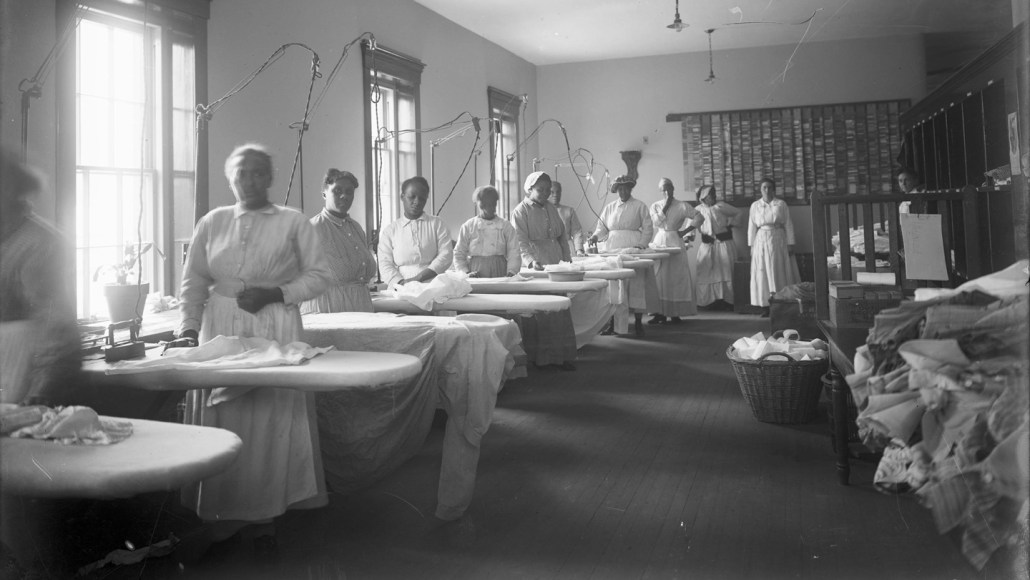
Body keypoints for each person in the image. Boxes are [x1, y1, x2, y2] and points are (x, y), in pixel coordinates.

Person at [176, 144, 332, 559]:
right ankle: (221, 517)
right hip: (221, 328)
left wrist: (276, 293)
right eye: (242, 173)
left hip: (274, 325)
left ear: (271, 178)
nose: (250, 180)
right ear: (231, 178)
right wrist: (189, 329)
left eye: (259, 173)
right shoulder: (213, 222)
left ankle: (265, 517)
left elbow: (319, 277)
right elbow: (193, 279)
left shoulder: (293, 222)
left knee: (267, 419)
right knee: (224, 418)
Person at [0, 149, 80, 406]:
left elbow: (58, 334)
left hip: (21, 384)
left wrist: (37, 400)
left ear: (11, 190)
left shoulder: (39, 244)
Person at [302, 169, 378, 313]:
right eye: (337, 191)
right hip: (329, 308)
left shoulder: (355, 227)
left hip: (360, 305)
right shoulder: (314, 227)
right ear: (324, 194)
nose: (344, 196)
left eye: (349, 192)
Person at [377, 176, 453, 287]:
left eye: (422, 198)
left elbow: (445, 255)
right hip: (401, 285)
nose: (417, 202)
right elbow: (384, 263)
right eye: (411, 197)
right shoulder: (391, 230)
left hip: (433, 282)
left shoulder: (437, 224)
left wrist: (418, 278)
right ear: (402, 197)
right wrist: (400, 283)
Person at [647, 177, 703, 324]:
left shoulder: (682, 205)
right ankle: (659, 313)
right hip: (660, 240)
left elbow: (699, 217)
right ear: (660, 191)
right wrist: (665, 207)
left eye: (669, 188)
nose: (667, 191)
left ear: (673, 189)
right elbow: (654, 223)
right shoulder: (655, 206)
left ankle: (675, 312)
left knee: (675, 277)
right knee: (659, 276)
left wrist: (685, 231)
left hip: (675, 240)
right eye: (664, 189)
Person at [748, 177, 798, 316]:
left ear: (774, 189)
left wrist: (790, 243)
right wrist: (751, 246)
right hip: (761, 239)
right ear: (760, 189)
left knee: (777, 270)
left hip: (778, 238)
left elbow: (788, 223)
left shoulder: (781, 204)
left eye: (770, 187)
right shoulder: (755, 206)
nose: (767, 190)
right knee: (762, 271)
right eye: (764, 187)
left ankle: (780, 304)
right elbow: (751, 227)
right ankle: (765, 306)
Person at [453, 185, 521, 278]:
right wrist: (466, 272)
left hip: (500, 270)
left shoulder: (505, 226)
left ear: (496, 203)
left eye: (492, 203)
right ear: (476, 203)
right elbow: (459, 253)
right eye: (484, 204)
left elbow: (514, 251)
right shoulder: (469, 226)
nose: (488, 207)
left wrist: (512, 271)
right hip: (475, 271)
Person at [694, 184, 741, 310]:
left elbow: (738, 213)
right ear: (703, 197)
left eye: (714, 194)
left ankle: (727, 301)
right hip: (707, 246)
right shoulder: (697, 210)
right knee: (706, 271)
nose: (714, 196)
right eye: (711, 194)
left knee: (726, 272)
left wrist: (730, 224)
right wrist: (688, 237)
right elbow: (692, 225)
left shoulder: (721, 206)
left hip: (724, 244)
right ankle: (709, 301)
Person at [510, 171, 570, 268]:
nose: (545, 193)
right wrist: (531, 261)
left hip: (557, 264)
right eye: (540, 190)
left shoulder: (551, 208)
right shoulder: (521, 211)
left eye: (548, 190)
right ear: (530, 189)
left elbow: (562, 237)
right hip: (537, 265)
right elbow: (520, 242)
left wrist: (567, 259)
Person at [588, 174, 653, 252]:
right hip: (612, 246)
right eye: (620, 189)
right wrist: (595, 236)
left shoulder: (640, 206)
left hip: (634, 246)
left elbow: (648, 228)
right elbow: (601, 228)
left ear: (630, 189)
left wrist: (642, 244)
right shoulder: (609, 207)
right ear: (616, 191)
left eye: (626, 189)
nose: (623, 192)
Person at [551, 181, 585, 257]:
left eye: (558, 192)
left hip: (567, 249)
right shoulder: (541, 212)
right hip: (549, 250)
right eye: (552, 192)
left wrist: (579, 250)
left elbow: (577, 232)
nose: (555, 195)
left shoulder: (569, 211)